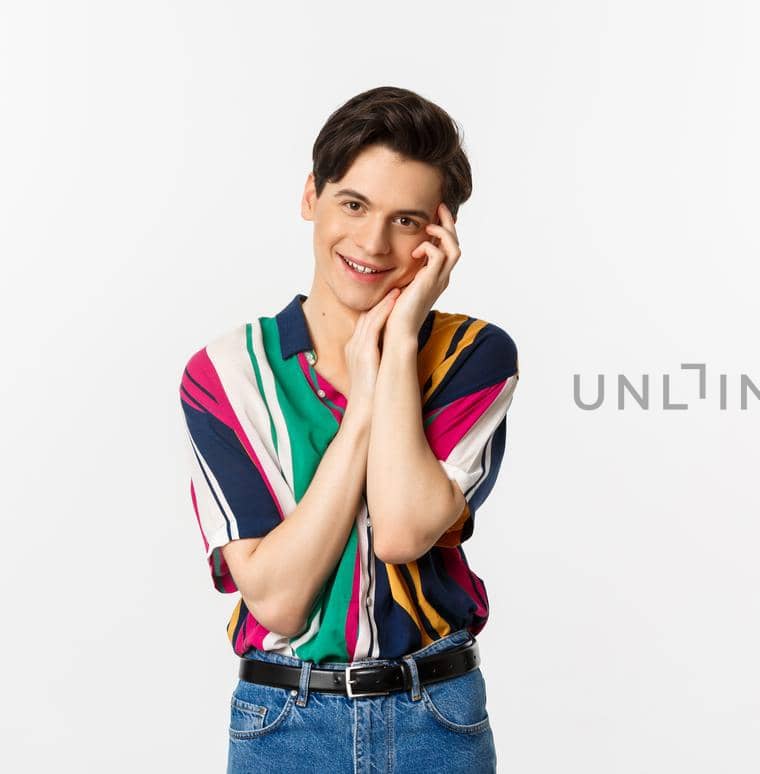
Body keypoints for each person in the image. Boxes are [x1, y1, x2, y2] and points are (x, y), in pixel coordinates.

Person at [178, 86, 517, 773]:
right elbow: (276, 598)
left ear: (438, 236)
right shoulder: (227, 374)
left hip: (438, 716)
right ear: (312, 195)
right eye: (354, 205)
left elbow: (401, 528)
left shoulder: (471, 357)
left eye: (407, 220)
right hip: (284, 725)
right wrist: (364, 401)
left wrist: (397, 345)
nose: (370, 242)